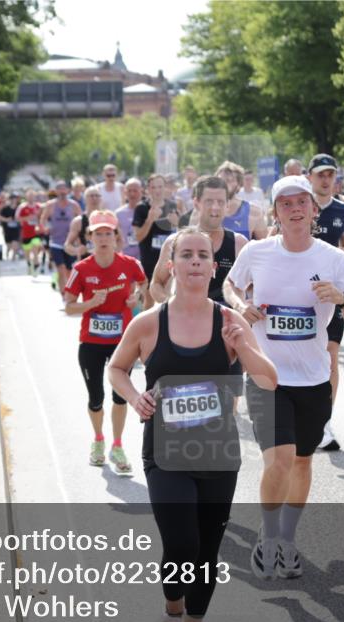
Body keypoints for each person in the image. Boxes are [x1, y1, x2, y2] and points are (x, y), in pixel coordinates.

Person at [108, 226, 276, 622]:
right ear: (172, 265)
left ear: (212, 266)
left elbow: (267, 378)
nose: (197, 261)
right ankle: (171, 615)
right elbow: (117, 368)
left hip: (218, 452)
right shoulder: (149, 323)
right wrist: (135, 396)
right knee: (181, 542)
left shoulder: (230, 321)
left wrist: (244, 348)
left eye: (204, 254)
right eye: (187, 255)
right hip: (165, 452)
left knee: (206, 549)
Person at [225, 175, 344, 580]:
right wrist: (241, 304)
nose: (294, 209)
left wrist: (341, 299)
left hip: (314, 379)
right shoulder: (257, 252)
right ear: (275, 212)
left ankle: (287, 540)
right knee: (281, 460)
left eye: (300, 202)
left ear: (313, 209)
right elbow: (231, 284)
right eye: (285, 203)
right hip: (267, 375)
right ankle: (268, 540)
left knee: (303, 461)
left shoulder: (335, 261)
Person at [149, 176, 249, 418]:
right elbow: (156, 284)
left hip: (227, 336)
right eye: (209, 201)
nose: (215, 208)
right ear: (196, 202)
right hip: (185, 332)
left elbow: (252, 291)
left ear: (227, 205)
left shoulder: (238, 244)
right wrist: (172, 309)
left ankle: (218, 453)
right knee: (184, 404)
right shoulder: (176, 242)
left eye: (220, 202)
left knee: (226, 410)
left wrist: (244, 308)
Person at [63, 211, 148, 474]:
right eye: (97, 234)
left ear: (116, 237)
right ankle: (99, 439)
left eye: (108, 233)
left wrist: (136, 298)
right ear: (89, 238)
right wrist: (90, 303)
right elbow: (68, 307)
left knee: (120, 395)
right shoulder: (81, 269)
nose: (103, 238)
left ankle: (118, 445)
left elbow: (143, 286)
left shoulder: (130, 264)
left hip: (122, 343)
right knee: (96, 397)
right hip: (90, 342)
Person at [304, 154, 344, 451]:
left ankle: (324, 421)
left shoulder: (342, 209)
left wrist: (342, 261)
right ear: (310, 176)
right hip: (298, 296)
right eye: (320, 175)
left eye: (330, 175)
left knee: (330, 355)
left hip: (331, 295)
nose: (326, 180)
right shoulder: (299, 206)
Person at [133, 174, 180, 308]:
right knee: (149, 301)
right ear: (148, 189)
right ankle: (145, 327)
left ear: (165, 188)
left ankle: (163, 327)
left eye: (160, 187)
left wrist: (177, 224)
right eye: (154, 187)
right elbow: (138, 237)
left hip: (167, 259)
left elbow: (181, 233)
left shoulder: (171, 205)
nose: (157, 190)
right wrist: (150, 220)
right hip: (148, 259)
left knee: (166, 299)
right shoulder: (141, 208)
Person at [39, 181, 83, 292]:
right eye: (59, 188)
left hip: (70, 242)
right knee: (60, 269)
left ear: (68, 190)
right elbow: (43, 219)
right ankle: (63, 295)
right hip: (56, 242)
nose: (62, 191)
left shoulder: (73, 205)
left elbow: (82, 220)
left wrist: (80, 235)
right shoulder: (51, 205)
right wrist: (45, 228)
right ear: (56, 191)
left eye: (64, 188)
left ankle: (69, 292)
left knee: (69, 271)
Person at [216, 162, 268, 240]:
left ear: (239, 185)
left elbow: (266, 248)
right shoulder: (202, 210)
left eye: (228, 180)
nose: (223, 184)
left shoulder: (253, 211)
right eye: (220, 180)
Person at [65, 185, 104, 267]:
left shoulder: (108, 218)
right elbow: (67, 245)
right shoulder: (78, 221)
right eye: (91, 196)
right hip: (86, 264)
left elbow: (120, 240)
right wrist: (76, 250)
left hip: (105, 263)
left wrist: (113, 250)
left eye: (97, 196)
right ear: (85, 199)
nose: (94, 198)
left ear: (101, 198)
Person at [114, 178, 143, 259]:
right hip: (125, 256)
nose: (132, 194)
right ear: (125, 192)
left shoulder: (148, 211)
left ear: (141, 191)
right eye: (129, 191)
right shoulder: (118, 213)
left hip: (144, 256)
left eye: (135, 190)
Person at [0, 193, 22, 261]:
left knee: (15, 243)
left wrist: (19, 220)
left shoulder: (19, 208)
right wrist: (6, 220)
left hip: (16, 229)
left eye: (15, 198)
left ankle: (13, 257)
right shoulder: (5, 208)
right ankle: (7, 252)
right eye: (12, 198)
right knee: (9, 244)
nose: (14, 200)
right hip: (7, 229)